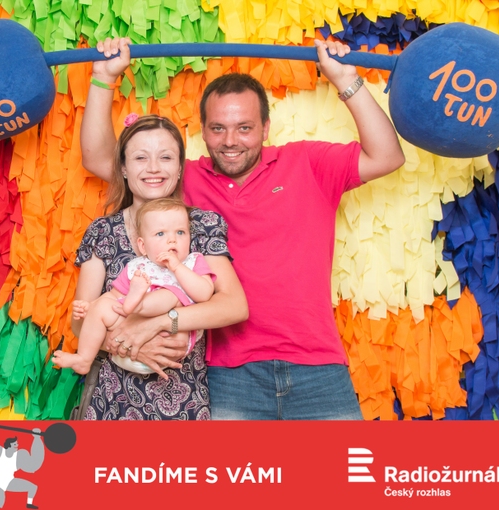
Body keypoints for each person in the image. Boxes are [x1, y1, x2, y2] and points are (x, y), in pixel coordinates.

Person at [80, 37, 406, 420]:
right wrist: (103, 78)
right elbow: (101, 159)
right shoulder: (181, 181)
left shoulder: (307, 162)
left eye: (244, 127)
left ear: (266, 127)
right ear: (203, 131)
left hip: (317, 363)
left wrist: (346, 79)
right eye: (218, 128)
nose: (230, 141)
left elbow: (387, 156)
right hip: (230, 374)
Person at [69, 113, 248, 420]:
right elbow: (79, 322)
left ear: (179, 168)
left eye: (165, 157)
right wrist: (131, 345)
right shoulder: (103, 231)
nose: (153, 168)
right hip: (113, 401)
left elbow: (234, 306)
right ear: (123, 168)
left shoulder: (200, 225)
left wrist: (163, 322)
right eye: (141, 158)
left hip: (183, 400)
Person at [53, 196, 215, 375]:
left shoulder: (192, 262)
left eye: (180, 232)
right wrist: (92, 307)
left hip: (171, 338)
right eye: (160, 234)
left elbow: (204, 294)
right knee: (103, 306)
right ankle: (84, 359)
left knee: (170, 294)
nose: (172, 240)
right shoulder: (138, 267)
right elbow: (114, 296)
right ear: (143, 246)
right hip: (130, 342)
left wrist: (177, 267)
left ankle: (138, 304)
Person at [0, 423, 44, 510]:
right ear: (9, 445)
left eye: (17, 444)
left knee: (32, 487)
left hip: (8, 481)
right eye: (15, 444)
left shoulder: (18, 457)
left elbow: (34, 464)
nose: (17, 446)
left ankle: (29, 504)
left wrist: (37, 438)